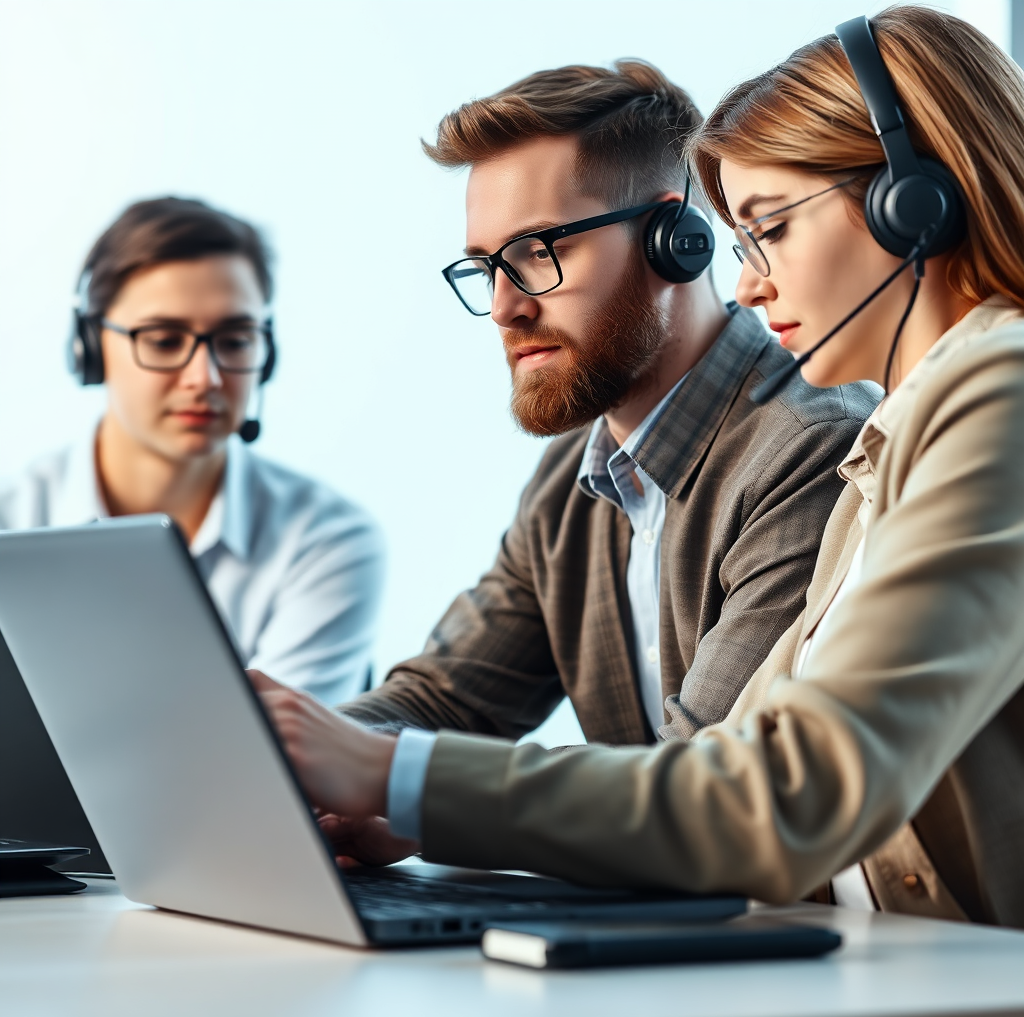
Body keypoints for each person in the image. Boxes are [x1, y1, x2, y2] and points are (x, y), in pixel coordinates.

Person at [255, 6, 1024, 929]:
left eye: (770, 229)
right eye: (744, 241)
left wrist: (392, 778)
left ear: (914, 206)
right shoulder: (886, 442)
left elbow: (769, 797)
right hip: (872, 967)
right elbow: (467, 698)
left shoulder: (937, 412)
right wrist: (332, 770)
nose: (749, 279)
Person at [258, 63, 877, 860]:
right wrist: (292, 756)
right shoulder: (571, 482)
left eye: (537, 252)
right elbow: (448, 697)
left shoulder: (812, 448)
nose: (506, 307)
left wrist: (407, 789)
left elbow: (701, 785)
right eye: (487, 267)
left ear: (673, 242)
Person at [0, 198, 384, 704]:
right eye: (163, 341)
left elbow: (273, 766)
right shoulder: (12, 520)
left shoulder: (325, 542)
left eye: (235, 340)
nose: (206, 378)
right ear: (90, 349)